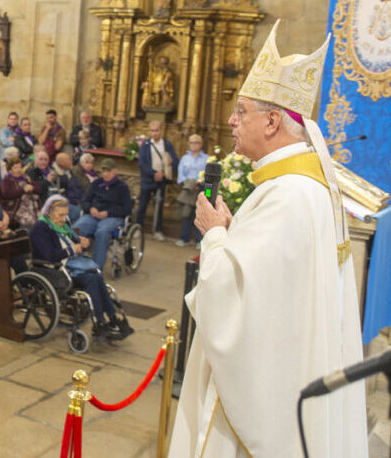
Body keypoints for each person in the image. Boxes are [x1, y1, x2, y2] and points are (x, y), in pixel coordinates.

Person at [169, 22, 367, 457]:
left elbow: (233, 299)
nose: (231, 121)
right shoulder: (301, 187)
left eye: (241, 111)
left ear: (273, 120)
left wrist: (215, 234)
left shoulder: (287, 194)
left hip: (264, 391)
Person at [30, 196, 132, 342]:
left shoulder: (62, 225)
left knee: (96, 276)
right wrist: (72, 249)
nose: (64, 219)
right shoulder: (40, 228)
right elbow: (50, 256)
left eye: (66, 214)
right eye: (61, 215)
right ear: (49, 212)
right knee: (91, 279)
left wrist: (83, 242)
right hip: (53, 269)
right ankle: (99, 322)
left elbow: (74, 241)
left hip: (70, 266)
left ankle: (112, 317)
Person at [74, 159, 133, 273]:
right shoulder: (96, 183)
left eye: (108, 171)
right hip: (93, 215)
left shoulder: (122, 187)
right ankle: (75, 263)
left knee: (102, 232)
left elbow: (127, 209)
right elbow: (85, 200)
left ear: (115, 171)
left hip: (112, 217)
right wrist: (90, 208)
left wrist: (108, 213)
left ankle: (96, 269)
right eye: (103, 171)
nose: (105, 174)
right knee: (77, 228)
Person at [136, 119, 178, 241]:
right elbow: (142, 163)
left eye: (156, 130)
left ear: (161, 130)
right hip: (147, 180)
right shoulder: (145, 145)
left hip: (161, 181)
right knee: (142, 205)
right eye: (152, 131)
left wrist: (164, 173)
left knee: (159, 206)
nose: (154, 133)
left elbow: (175, 161)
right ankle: (138, 229)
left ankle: (158, 231)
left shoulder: (167, 145)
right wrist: (153, 174)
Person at [175, 134, 209, 247]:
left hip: (203, 189)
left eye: (197, 142)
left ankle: (199, 240)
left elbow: (209, 175)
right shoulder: (185, 158)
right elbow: (181, 175)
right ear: (188, 144)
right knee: (187, 214)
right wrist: (189, 184)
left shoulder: (207, 158)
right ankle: (184, 238)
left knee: (201, 214)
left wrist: (200, 183)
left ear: (201, 144)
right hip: (188, 189)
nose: (194, 145)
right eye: (192, 142)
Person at [0, 156, 42, 229]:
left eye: (20, 167)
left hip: (32, 207)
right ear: (10, 170)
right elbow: (7, 194)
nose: (18, 170)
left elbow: (39, 189)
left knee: (43, 220)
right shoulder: (7, 180)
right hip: (17, 208)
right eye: (15, 168)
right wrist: (23, 190)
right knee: (32, 222)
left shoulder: (25, 178)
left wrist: (32, 188)